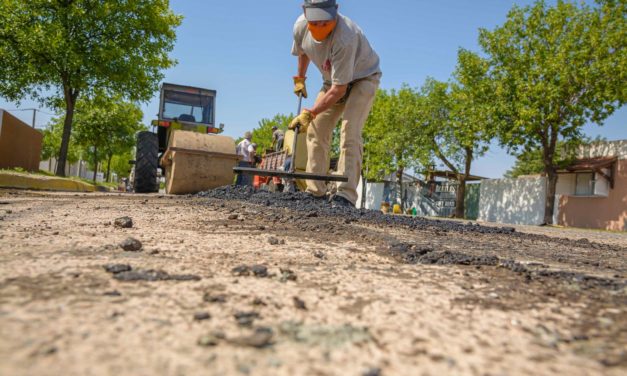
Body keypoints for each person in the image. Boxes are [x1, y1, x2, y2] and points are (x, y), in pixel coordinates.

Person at [288, 0, 381, 208]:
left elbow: (339, 90)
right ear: (305, 13)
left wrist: (310, 112)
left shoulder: (345, 37)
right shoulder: (300, 26)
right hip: (331, 81)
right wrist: (300, 78)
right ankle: (316, 191)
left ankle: (345, 195)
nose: (320, 27)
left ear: (335, 12)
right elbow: (303, 51)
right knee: (316, 129)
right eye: (315, 23)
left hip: (363, 79)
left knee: (350, 132)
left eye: (325, 22)